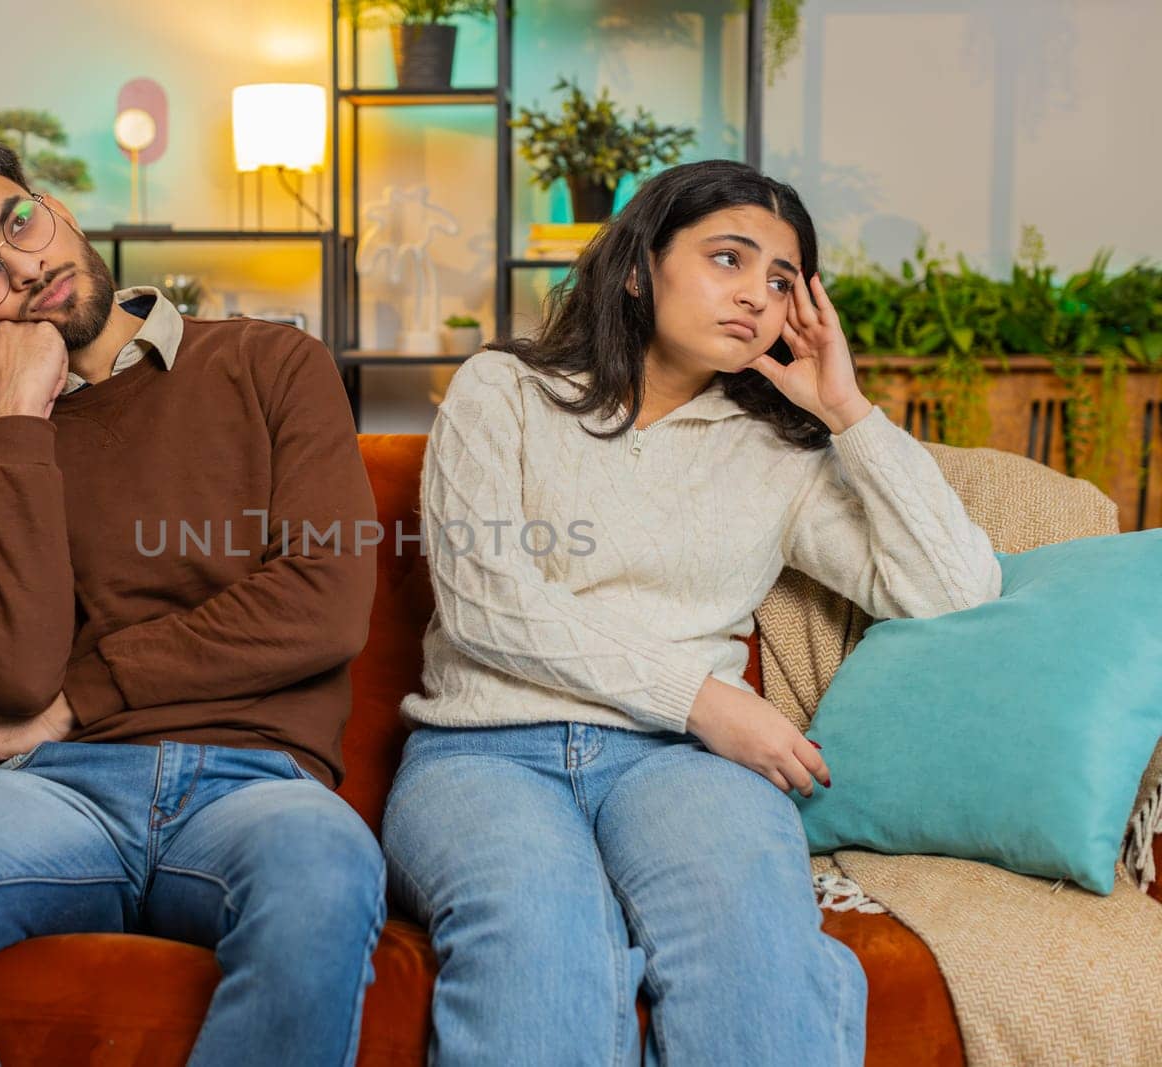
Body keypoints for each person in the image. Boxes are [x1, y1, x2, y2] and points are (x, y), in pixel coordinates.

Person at [0, 141, 386, 1067]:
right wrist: (22, 412)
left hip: (258, 786)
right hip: (53, 792)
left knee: (327, 873)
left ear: (53, 206)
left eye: (18, 223)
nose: (24, 265)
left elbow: (324, 601)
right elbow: (14, 676)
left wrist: (78, 698)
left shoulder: (274, 363)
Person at [382, 159, 1002, 1065]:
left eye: (781, 280)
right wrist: (702, 698)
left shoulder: (778, 457)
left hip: (681, 768)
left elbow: (954, 590)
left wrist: (847, 411)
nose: (757, 295)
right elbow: (489, 608)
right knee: (542, 948)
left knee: (756, 950)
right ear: (640, 268)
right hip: (486, 751)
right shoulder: (501, 390)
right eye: (728, 259)